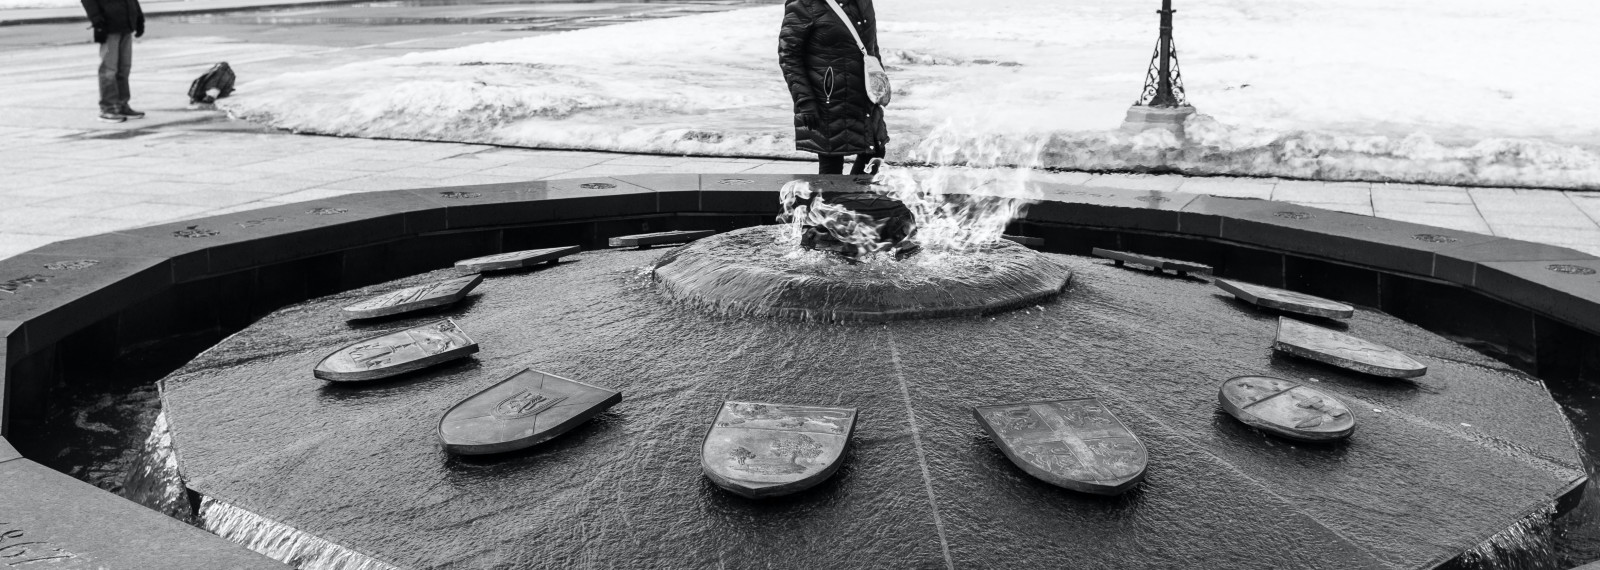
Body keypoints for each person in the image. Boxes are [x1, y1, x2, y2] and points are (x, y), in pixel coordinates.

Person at [778, 0, 887, 176]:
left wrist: (879, 81)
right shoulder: (805, 3)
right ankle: (832, 200)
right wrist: (804, 101)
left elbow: (870, 46)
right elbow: (789, 55)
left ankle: (853, 198)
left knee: (875, 152)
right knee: (832, 163)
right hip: (827, 98)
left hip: (863, 95)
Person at [81, 0, 145, 123]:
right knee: (109, 70)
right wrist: (97, 21)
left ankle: (121, 105)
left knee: (124, 68)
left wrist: (139, 17)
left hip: (126, 25)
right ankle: (108, 108)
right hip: (109, 27)